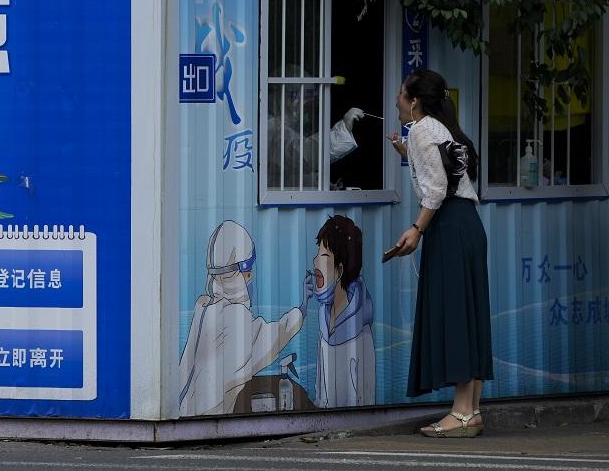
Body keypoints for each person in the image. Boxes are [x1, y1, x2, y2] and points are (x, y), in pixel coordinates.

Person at [386, 69, 492, 437]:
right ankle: (470, 411)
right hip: (467, 224)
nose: (396, 100)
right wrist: (406, 153)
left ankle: (461, 413)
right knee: (469, 313)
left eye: (401, 94)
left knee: (455, 314)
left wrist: (416, 229)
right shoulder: (439, 128)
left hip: (448, 225)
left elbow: (435, 190)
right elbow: (442, 173)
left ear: (414, 101)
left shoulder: (421, 130)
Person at [178, 220, 312, 416]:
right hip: (206, 420)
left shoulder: (205, 307)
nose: (251, 278)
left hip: (184, 412)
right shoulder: (234, 318)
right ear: (237, 273)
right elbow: (269, 339)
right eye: (248, 273)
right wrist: (302, 310)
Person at [311, 215, 375, 408]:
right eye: (317, 254)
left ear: (339, 270)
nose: (315, 262)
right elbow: (319, 391)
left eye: (323, 257)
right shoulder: (324, 318)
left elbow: (366, 401)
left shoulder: (362, 334)